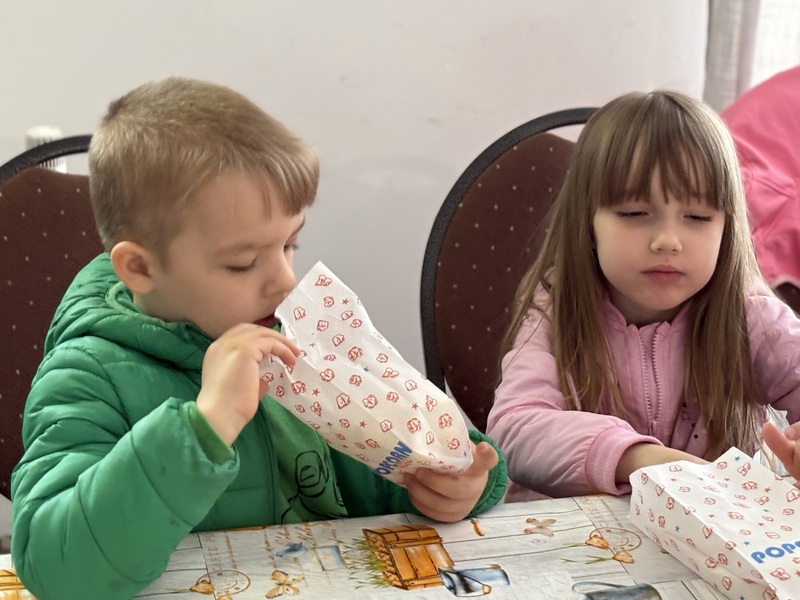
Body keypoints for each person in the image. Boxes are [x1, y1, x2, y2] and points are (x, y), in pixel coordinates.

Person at [10, 77, 507, 600]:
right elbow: (58, 571)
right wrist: (203, 427)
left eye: (290, 245)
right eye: (243, 262)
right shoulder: (87, 376)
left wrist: (453, 483)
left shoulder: (298, 341)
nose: (285, 281)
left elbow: (393, 468)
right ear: (140, 268)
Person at [485, 89, 800, 502]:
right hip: (573, 535)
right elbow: (515, 431)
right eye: (634, 213)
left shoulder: (750, 313)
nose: (667, 240)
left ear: (727, 228)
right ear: (587, 223)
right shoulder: (555, 305)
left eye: (697, 217)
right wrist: (638, 459)